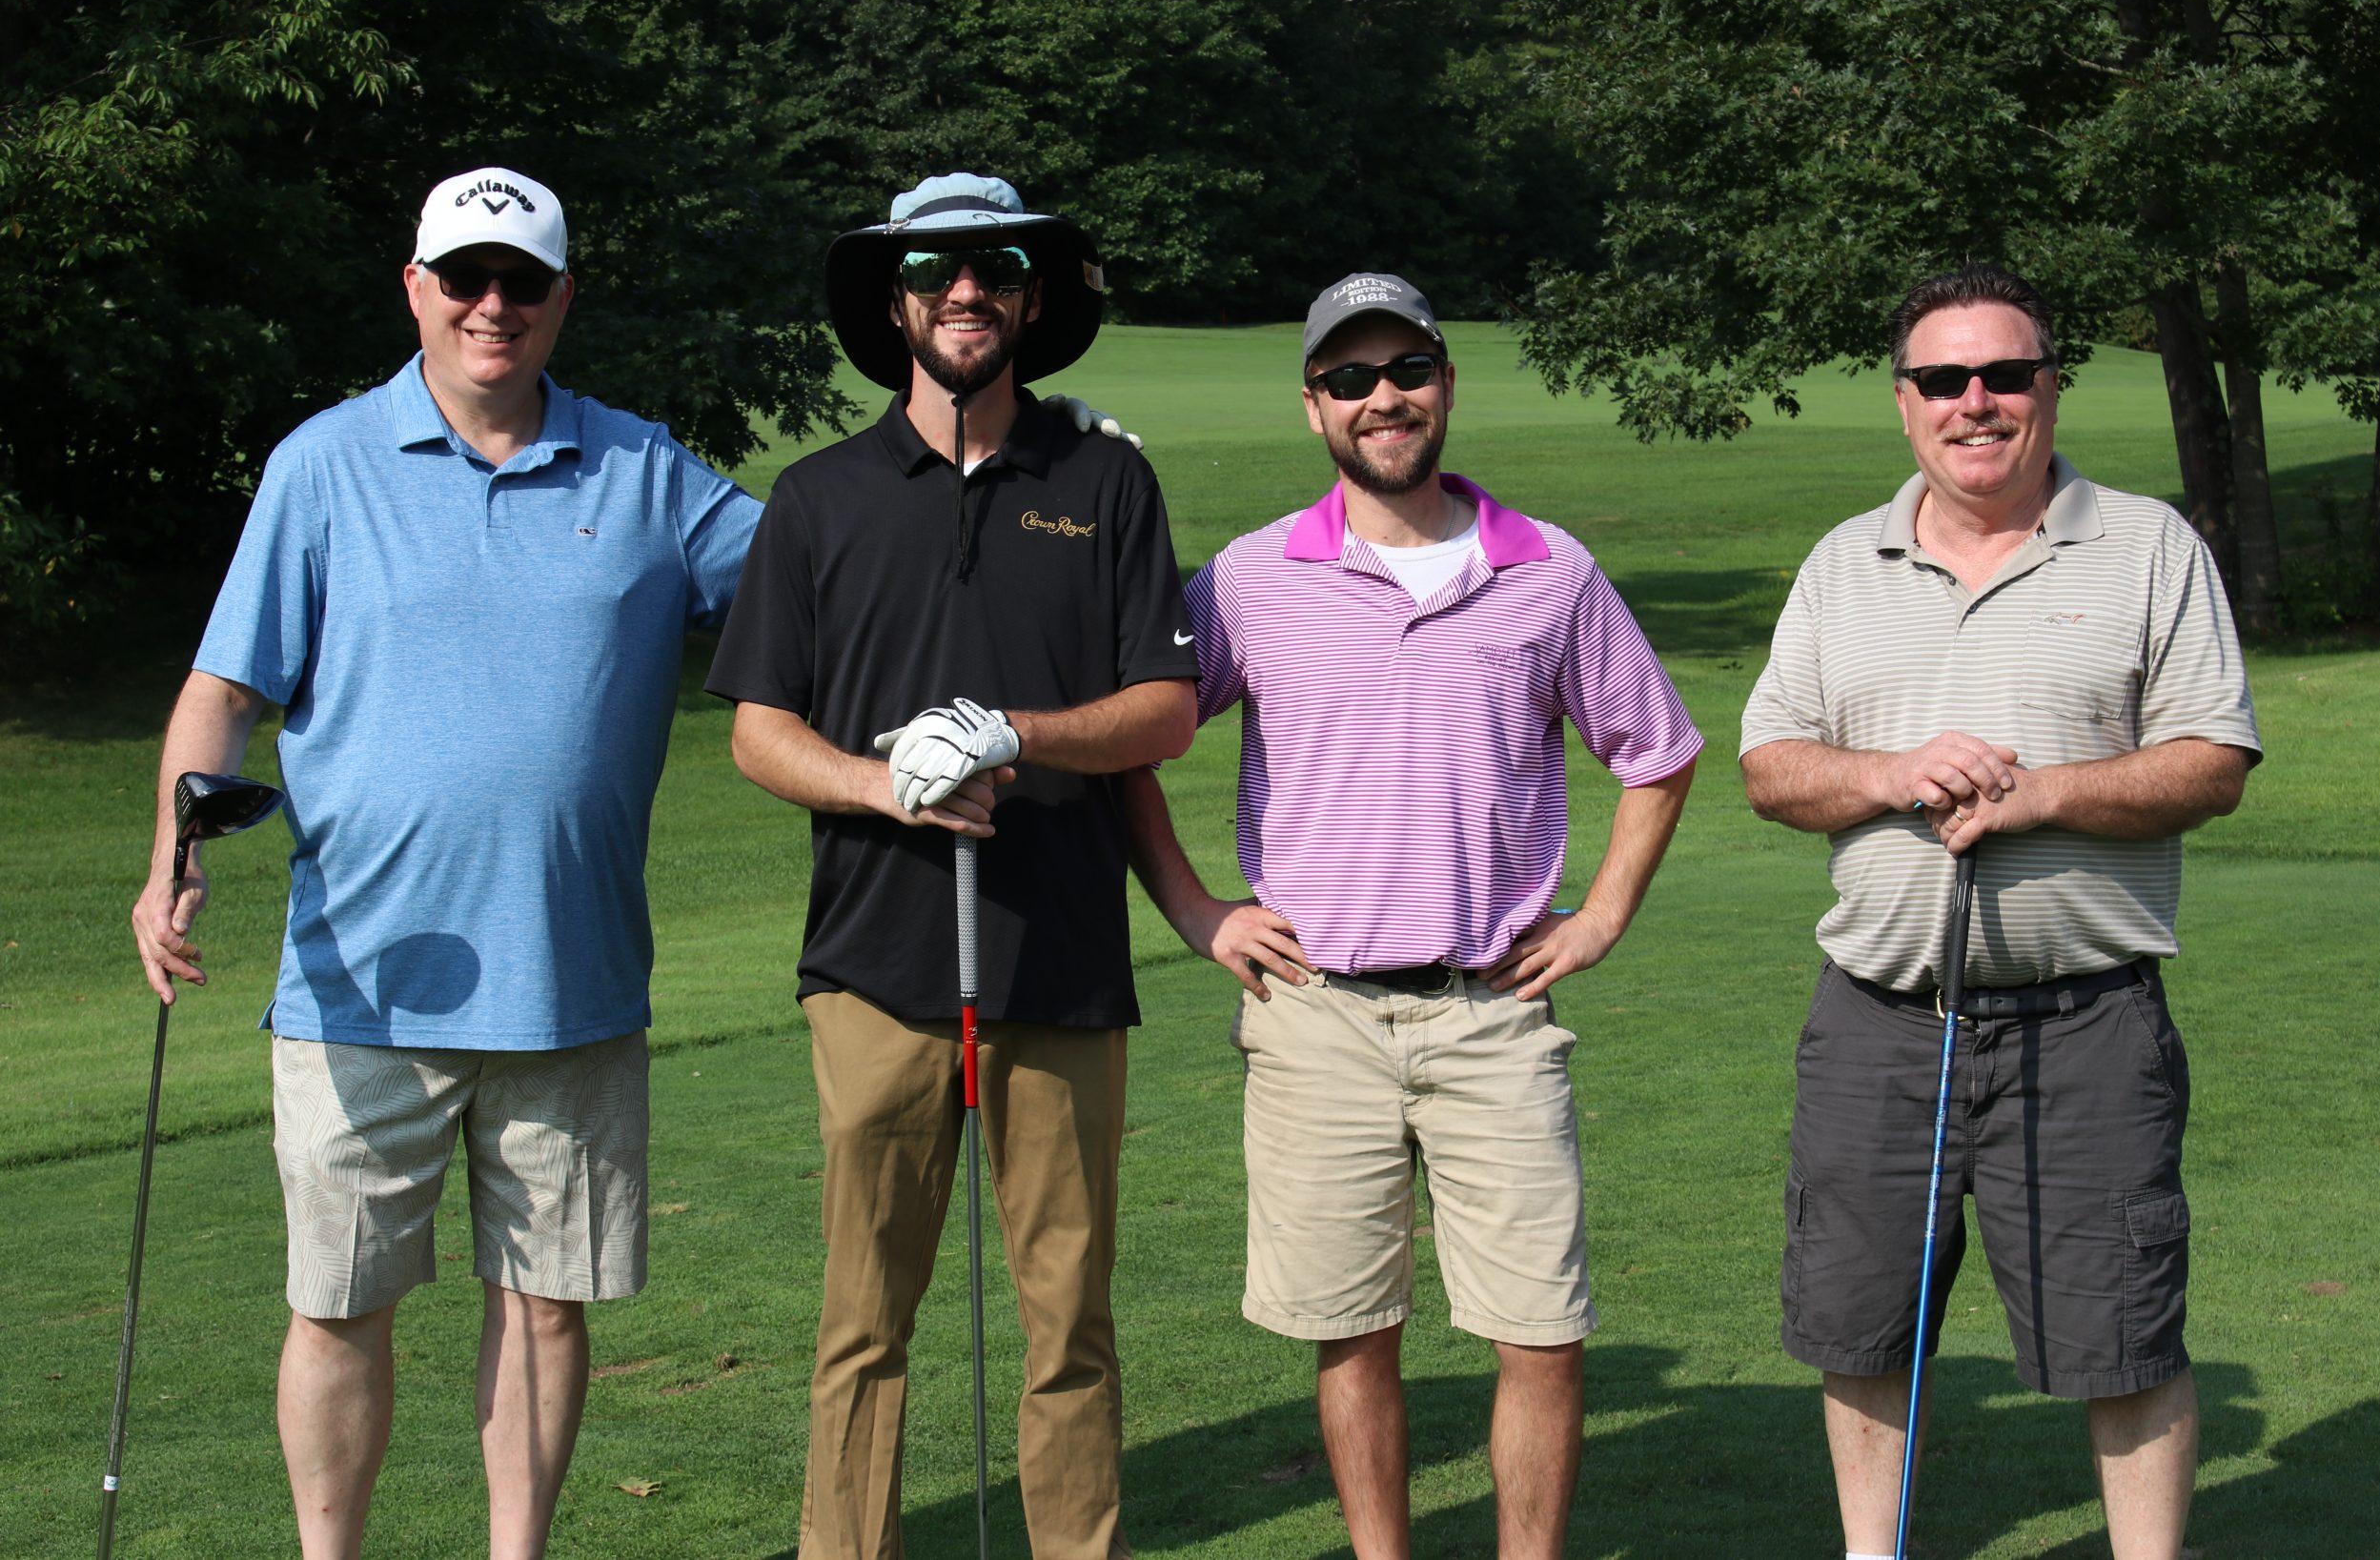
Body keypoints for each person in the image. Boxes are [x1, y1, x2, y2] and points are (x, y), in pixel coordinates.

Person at [126, 167, 764, 1559]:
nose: (493, 306)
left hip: (571, 978)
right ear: (416, 288)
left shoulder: (646, 470)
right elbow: (225, 692)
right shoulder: (323, 464)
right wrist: (175, 852)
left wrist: (981, 490)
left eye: (521, 282)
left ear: (563, 299)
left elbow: (823, 577)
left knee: (544, 1308)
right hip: (360, 982)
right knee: (338, 1304)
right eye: (465, 278)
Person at [1124, 273, 1702, 1560]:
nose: (1381, 398)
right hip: (1315, 1014)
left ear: (1445, 382)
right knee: (1353, 1332)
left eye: (1406, 371)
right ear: (1314, 406)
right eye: (1350, 379)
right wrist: (1197, 912)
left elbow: (1656, 753)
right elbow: (1139, 736)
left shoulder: (1550, 570)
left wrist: (1601, 917)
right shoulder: (1251, 579)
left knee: (1541, 1333)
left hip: (1491, 1012)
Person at [702, 172, 1198, 1560]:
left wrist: (1016, 733)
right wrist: (888, 785)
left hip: (1062, 962)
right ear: (895, 301)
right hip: (874, 965)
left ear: (1031, 299)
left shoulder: (1105, 479)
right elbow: (756, 730)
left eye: (994, 268)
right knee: (863, 1322)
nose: (964, 290)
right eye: (934, 270)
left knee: (1069, 1321)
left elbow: (1164, 709)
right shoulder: (818, 497)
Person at [1739, 264, 2261, 1560]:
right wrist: (1889, 774)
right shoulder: (1844, 563)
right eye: (1942, 378)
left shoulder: (2149, 547)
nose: (1974, 401)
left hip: (2086, 1026)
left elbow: (2213, 763)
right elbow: (1770, 766)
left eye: (2005, 374)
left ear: (2050, 386)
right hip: (1880, 1022)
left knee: (2122, 1333)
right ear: (1905, 401)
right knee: (1863, 1327)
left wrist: (2045, 796)